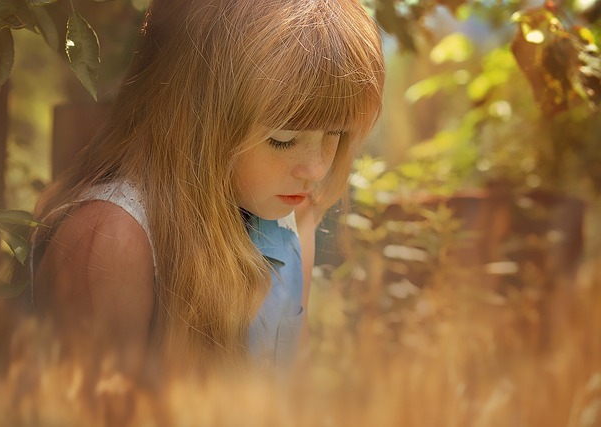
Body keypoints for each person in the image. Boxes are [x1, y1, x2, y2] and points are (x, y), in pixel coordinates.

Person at [30, 0, 385, 376]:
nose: (317, 168)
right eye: (283, 138)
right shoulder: (112, 238)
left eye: (335, 134)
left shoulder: (293, 210)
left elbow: (295, 382)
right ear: (198, 117)